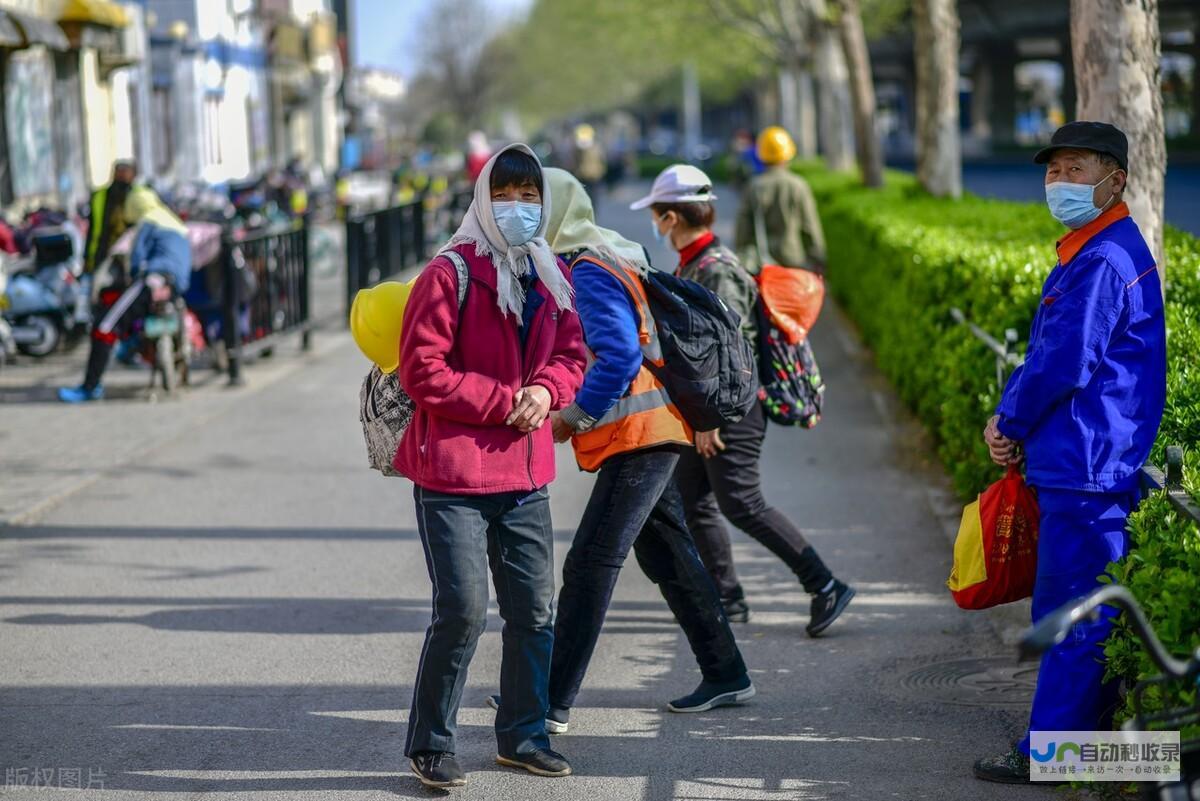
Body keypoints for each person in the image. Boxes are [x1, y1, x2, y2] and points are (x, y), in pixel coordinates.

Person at [490, 167, 754, 732]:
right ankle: (726, 671)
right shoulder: (596, 259)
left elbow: (619, 357)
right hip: (647, 431)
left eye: (535, 203)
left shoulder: (588, 269)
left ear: (556, 212)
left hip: (641, 435)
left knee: (589, 562)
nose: (523, 215)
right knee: (668, 555)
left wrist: (573, 414)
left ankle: (547, 700)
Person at [974, 121, 1167, 784]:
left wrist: (1009, 420)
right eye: (1054, 170)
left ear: (1116, 180)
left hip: (1087, 466)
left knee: (1072, 619)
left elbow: (1064, 358)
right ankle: (1090, 753)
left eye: (1075, 169)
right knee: (1084, 614)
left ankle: (1053, 757)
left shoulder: (1103, 259)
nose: (1060, 182)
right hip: (1086, 460)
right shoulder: (1093, 250)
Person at [395, 144, 587, 788]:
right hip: (451, 477)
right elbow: (423, 372)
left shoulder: (549, 274)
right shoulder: (448, 273)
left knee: (535, 612)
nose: (517, 209)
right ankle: (432, 743)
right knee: (463, 611)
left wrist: (549, 392)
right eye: (504, 196)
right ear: (483, 200)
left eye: (529, 197)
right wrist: (508, 399)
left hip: (525, 476)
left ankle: (523, 735)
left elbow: (572, 353)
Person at [633, 164, 855, 634]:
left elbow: (732, 354)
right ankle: (727, 597)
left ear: (671, 217)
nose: (654, 221)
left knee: (741, 502)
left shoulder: (717, 270)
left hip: (731, 409)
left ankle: (825, 584)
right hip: (709, 409)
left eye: (657, 213)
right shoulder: (697, 263)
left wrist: (710, 419)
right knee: (692, 499)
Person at [59, 188, 191, 403]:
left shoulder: (148, 222)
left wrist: (133, 274)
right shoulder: (174, 222)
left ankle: (90, 386)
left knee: (104, 326)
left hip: (153, 280)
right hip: (174, 286)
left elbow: (136, 258)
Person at [735, 126, 825, 272]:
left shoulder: (754, 186)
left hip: (762, 263)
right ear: (788, 154)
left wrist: (741, 254)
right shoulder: (798, 185)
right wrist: (818, 259)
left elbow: (743, 227)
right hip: (793, 260)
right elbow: (809, 226)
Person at [84, 160, 137, 276]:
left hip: (129, 259)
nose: (121, 175)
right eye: (119, 172)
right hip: (102, 257)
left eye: (125, 172)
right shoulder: (99, 196)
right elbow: (92, 230)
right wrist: (87, 259)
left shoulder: (138, 196)